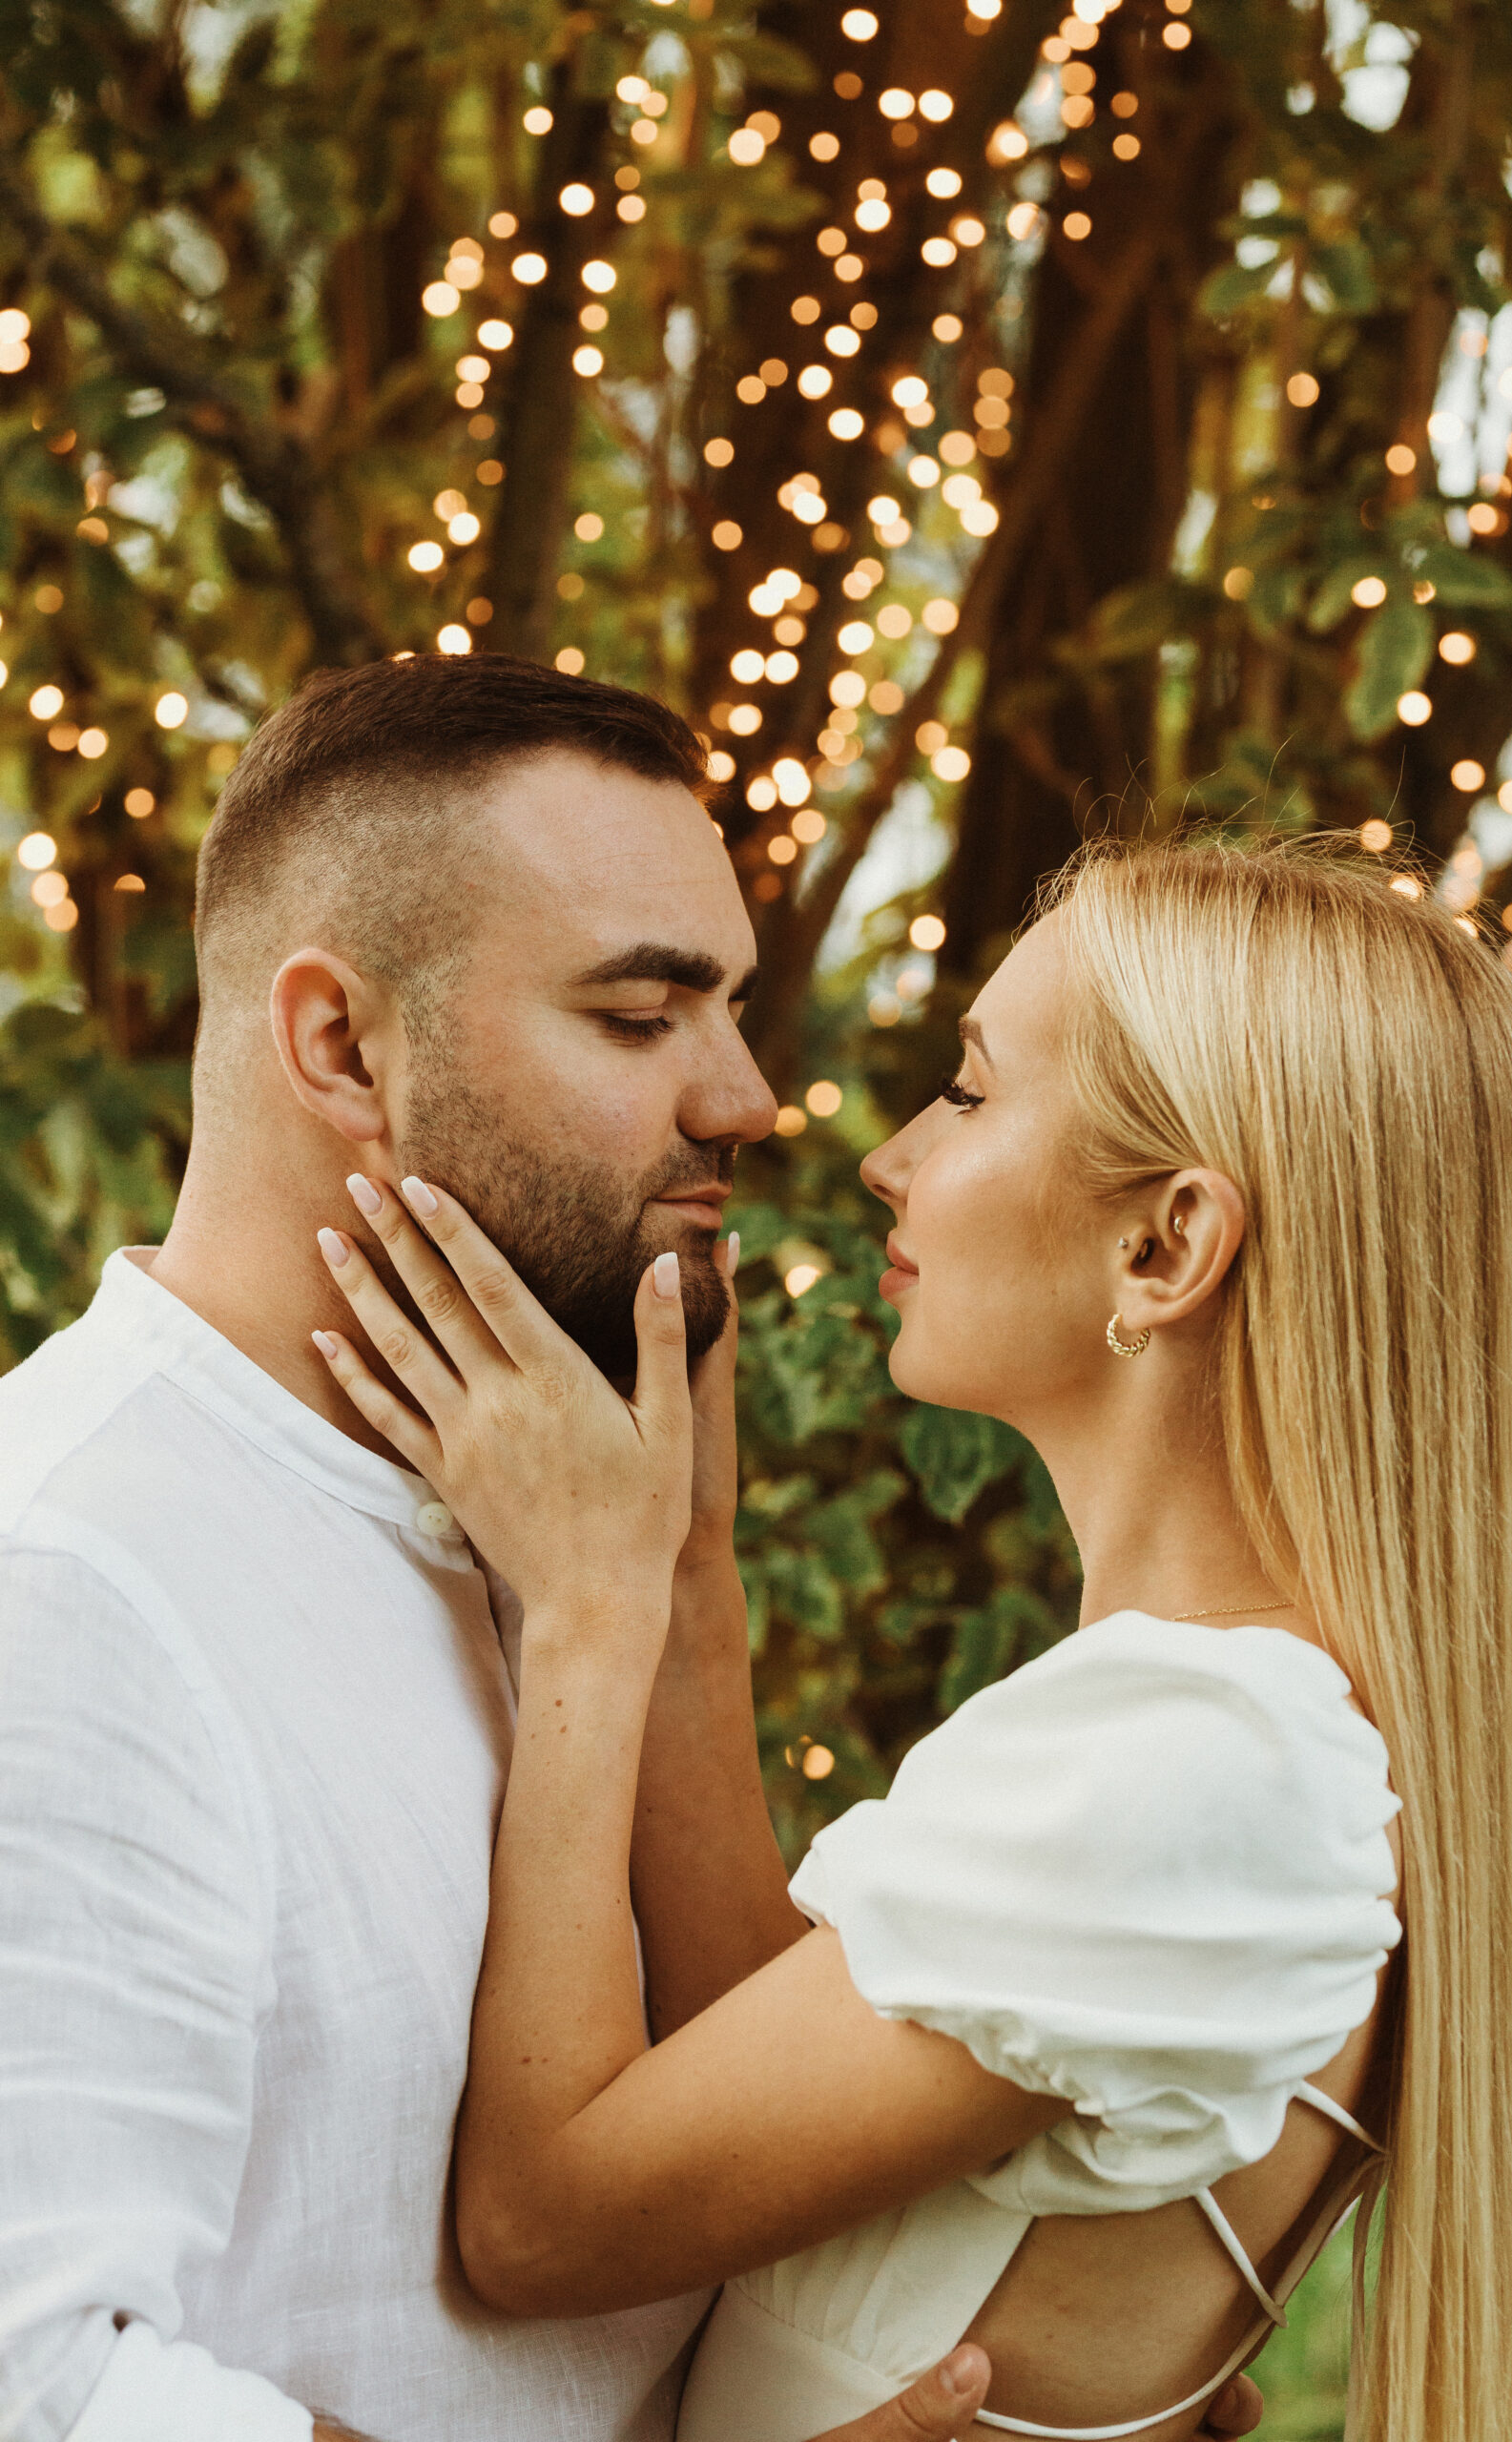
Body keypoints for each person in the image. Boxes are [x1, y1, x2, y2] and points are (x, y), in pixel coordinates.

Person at [0, 658, 1276, 2442]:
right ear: (341, 1048)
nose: (746, 1098)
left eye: (730, 1009)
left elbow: (704, 2151)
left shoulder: (567, 1509)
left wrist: (1068, 2356)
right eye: (638, 1015)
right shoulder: (71, 1579)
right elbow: (43, 2382)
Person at [313, 837, 1512, 2442]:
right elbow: (757, 2093)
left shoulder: (1197, 1765)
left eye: (969, 1092)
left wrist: (593, 1613)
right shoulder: (1241, 1742)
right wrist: (691, 1585)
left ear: (1164, 1248)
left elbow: (543, 2225)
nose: (888, 1158)